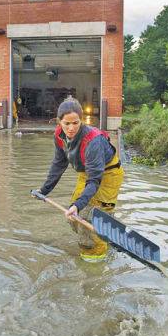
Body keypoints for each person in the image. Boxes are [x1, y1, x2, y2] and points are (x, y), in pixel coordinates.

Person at [33, 97, 124, 262]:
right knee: (74, 217)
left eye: (75, 123)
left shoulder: (93, 141)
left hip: (107, 175)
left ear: (81, 120)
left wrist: (78, 205)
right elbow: (59, 164)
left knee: (91, 218)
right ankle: (106, 236)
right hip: (86, 173)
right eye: (66, 123)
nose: (71, 128)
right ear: (59, 121)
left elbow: (95, 180)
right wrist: (44, 190)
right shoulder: (59, 136)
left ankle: (95, 261)